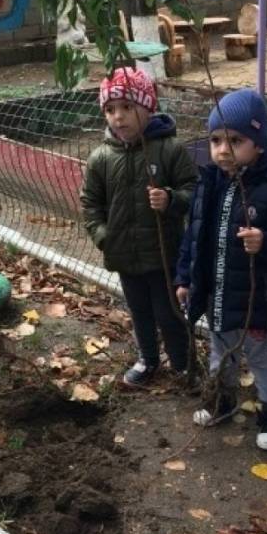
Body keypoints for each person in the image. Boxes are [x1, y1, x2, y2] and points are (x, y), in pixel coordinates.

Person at [175, 89, 267, 451]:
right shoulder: (209, 184)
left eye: (235, 140)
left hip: (258, 299)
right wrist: (185, 277)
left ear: (259, 143)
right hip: (217, 296)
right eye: (215, 140)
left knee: (265, 361)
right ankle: (222, 401)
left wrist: (265, 241)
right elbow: (194, 235)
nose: (222, 150)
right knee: (221, 355)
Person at [81, 66, 198, 386]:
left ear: (148, 106)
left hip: (163, 255)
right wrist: (103, 236)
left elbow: (194, 191)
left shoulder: (170, 149)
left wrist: (171, 199)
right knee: (140, 313)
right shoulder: (101, 158)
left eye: (127, 107)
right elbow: (90, 203)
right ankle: (147, 359)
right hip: (125, 256)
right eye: (110, 109)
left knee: (168, 313)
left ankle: (183, 363)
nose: (118, 117)